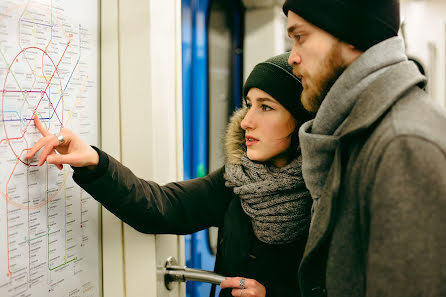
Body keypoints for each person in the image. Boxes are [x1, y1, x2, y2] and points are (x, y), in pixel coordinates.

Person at [26, 53, 315, 297]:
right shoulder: (239, 181)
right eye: (249, 105)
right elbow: (161, 206)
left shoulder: (331, 195)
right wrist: (93, 161)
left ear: (302, 120)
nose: (247, 122)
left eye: (266, 107)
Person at [282, 1, 446, 297]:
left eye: (300, 37)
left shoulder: (403, 144)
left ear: (352, 36)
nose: (292, 57)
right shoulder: (356, 132)